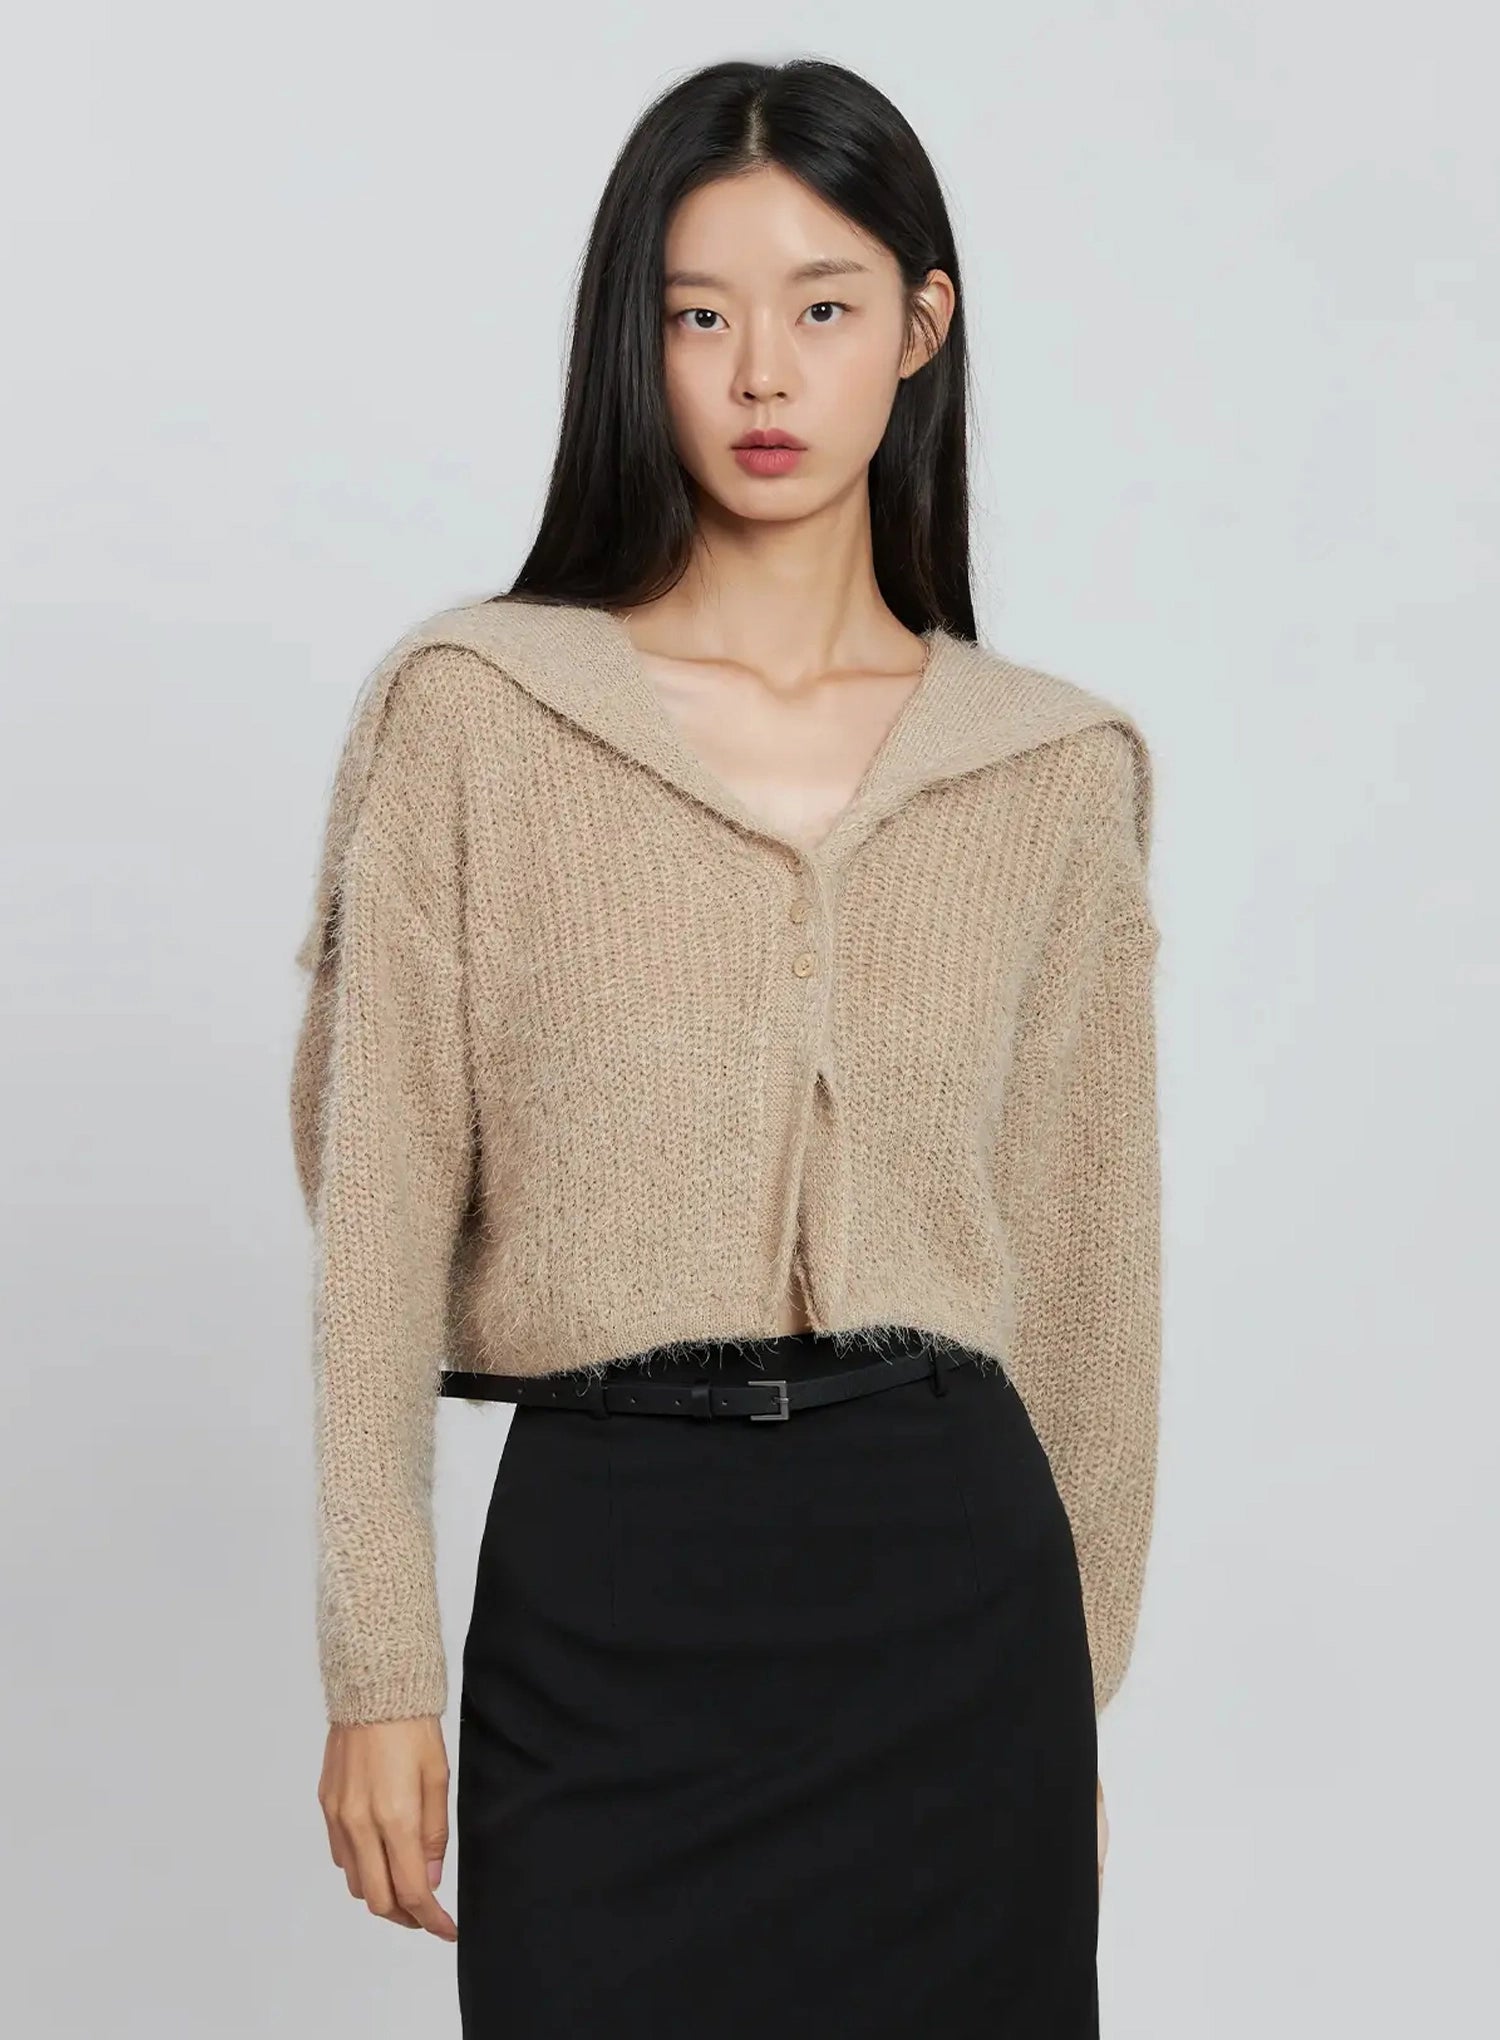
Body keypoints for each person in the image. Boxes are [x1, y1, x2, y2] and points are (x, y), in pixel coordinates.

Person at [288, 55, 1162, 2039]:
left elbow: (1091, 1276)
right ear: (638, 339)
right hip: (613, 1577)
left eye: (822, 306)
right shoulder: (478, 713)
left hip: (959, 1610)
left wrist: (1077, 1700)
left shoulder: (1049, 768)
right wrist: (378, 1662)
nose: (762, 373)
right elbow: (376, 1210)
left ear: (923, 327)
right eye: (699, 316)